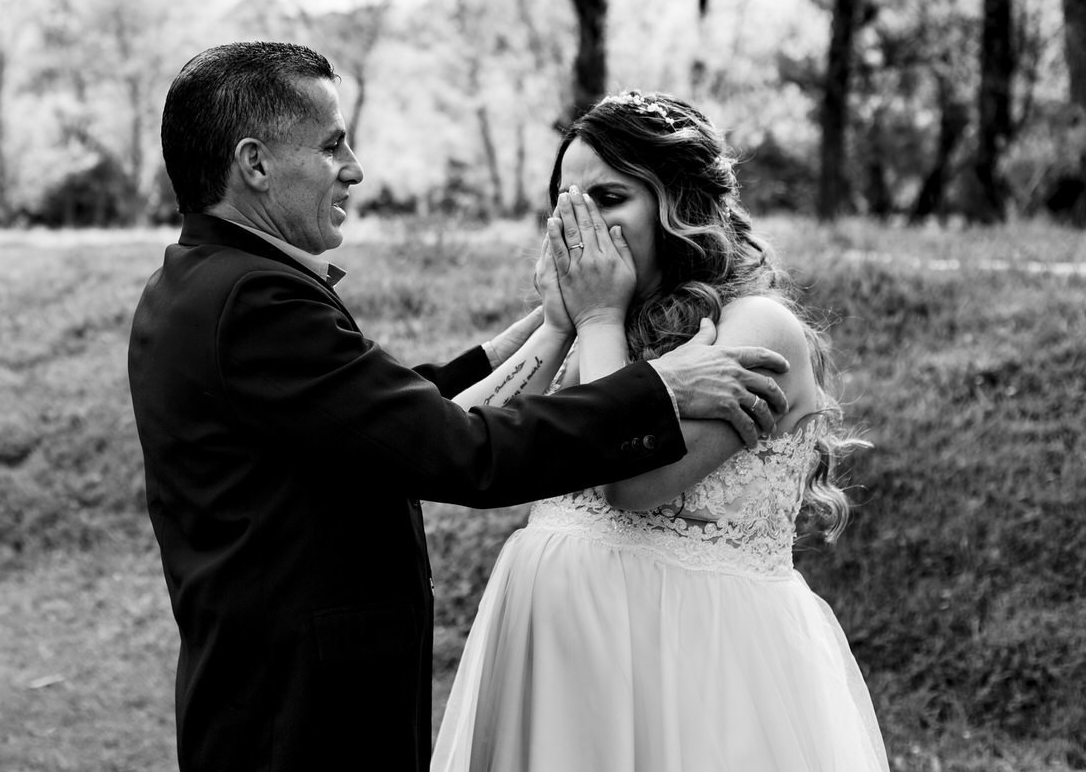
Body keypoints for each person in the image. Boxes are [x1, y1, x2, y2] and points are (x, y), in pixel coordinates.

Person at [127, 43, 791, 772]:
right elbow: (459, 450)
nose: (354, 166)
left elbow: (387, 417)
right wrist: (658, 387)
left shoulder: (198, 283)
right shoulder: (254, 299)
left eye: (606, 198)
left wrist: (553, 323)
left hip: (278, 695)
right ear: (254, 163)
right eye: (332, 144)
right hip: (299, 716)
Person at [431, 91, 890, 772]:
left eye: (610, 197)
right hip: (557, 668)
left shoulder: (757, 326)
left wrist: (595, 322)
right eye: (567, 202)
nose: (582, 223)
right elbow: (451, 442)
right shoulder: (596, 322)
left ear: (679, 206)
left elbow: (629, 483)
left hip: (683, 668)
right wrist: (558, 325)